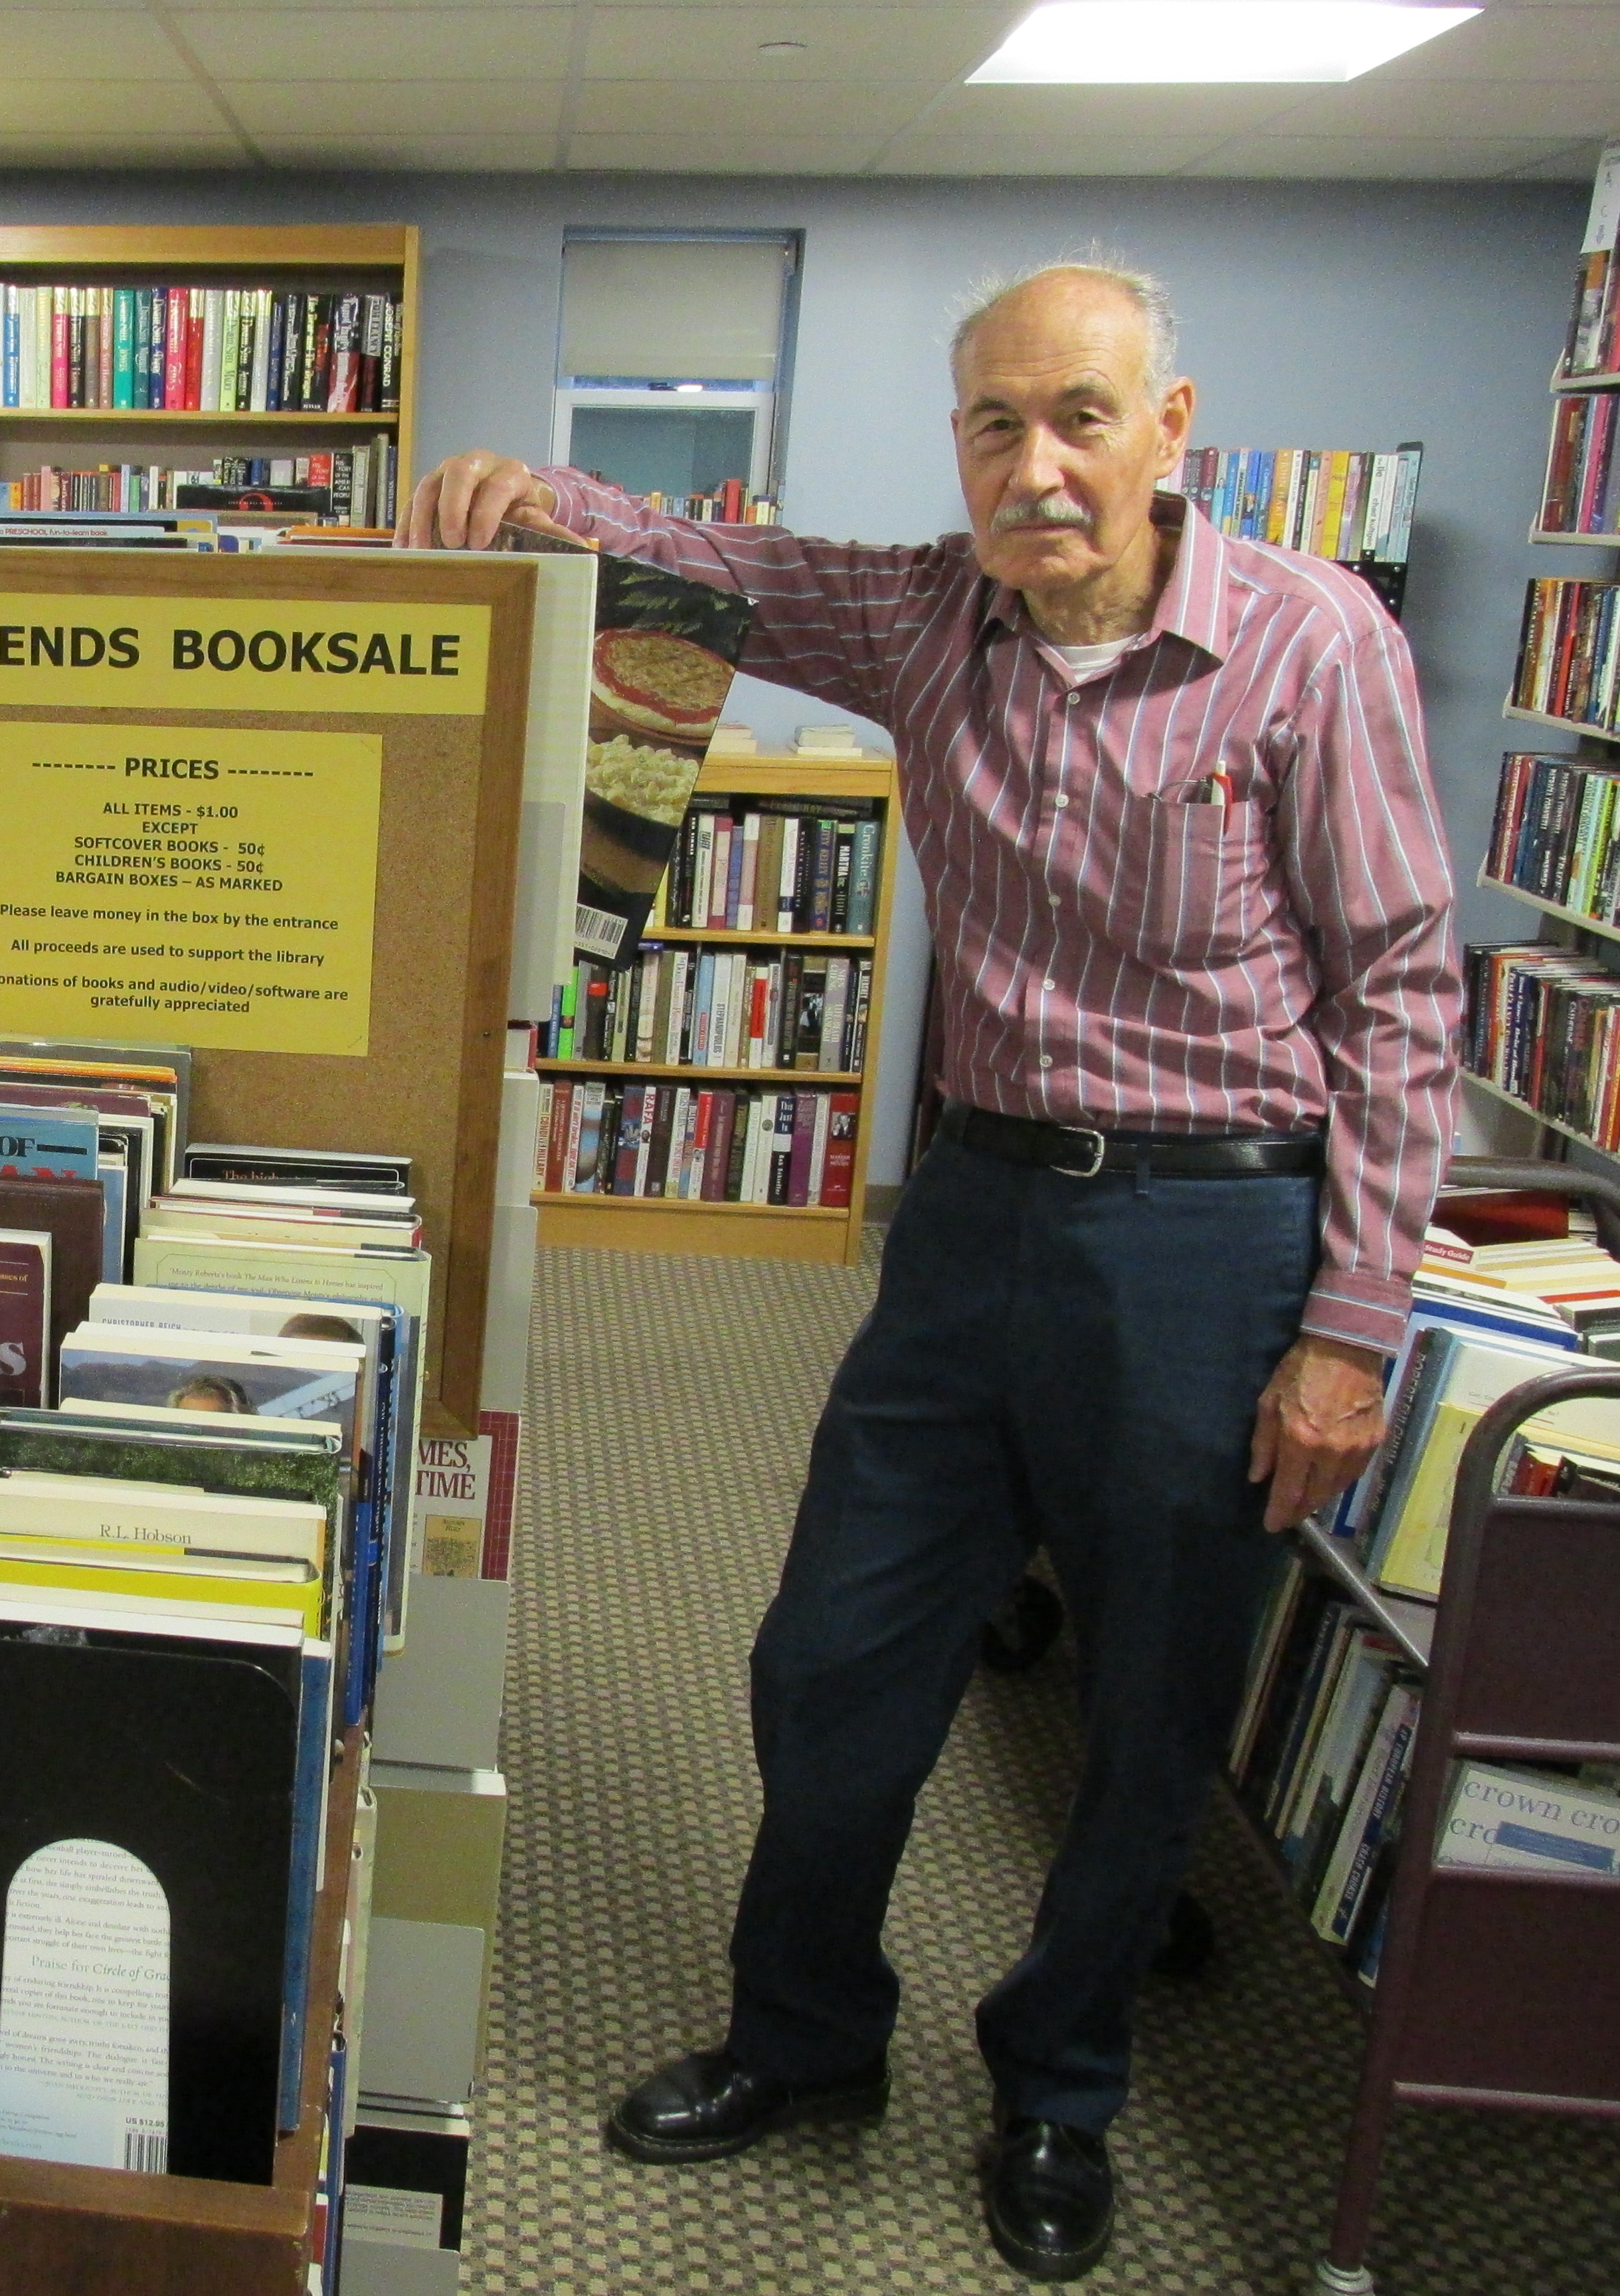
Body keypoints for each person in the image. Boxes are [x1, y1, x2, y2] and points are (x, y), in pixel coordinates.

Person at [402, 261, 1457, 2283]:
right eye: (994, 423)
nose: (1036, 466)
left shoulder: (1314, 646)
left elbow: (1402, 994)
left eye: (1079, 416)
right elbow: (718, 557)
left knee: (1154, 1704)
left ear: (1172, 427)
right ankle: (807, 2040)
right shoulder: (923, 615)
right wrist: (523, 487)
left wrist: (1350, 1325)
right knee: (831, 1653)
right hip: (967, 1219)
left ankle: (1061, 2086)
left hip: (1213, 1230)